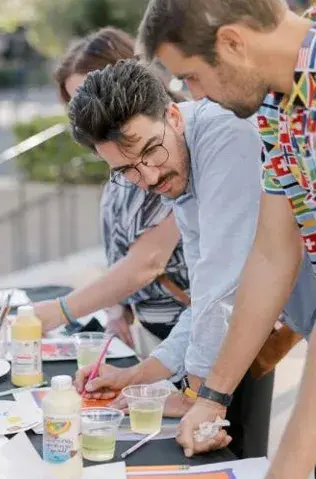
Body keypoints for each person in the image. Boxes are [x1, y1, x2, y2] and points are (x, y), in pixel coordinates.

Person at [137, 1, 316, 478]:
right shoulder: (277, 106)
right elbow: (271, 253)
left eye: (191, 77)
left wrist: (290, 466)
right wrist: (211, 397)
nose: (196, 98)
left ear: (233, 43)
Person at [68, 58, 280, 459]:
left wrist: (196, 395)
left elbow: (225, 285)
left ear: (172, 115)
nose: (148, 178)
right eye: (127, 170)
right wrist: (140, 374)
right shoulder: (178, 166)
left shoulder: (224, 134)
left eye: (151, 150)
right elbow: (204, 296)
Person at [34, 27, 189, 352]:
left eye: (97, 90)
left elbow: (147, 260)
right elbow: (125, 250)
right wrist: (117, 306)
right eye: (77, 101)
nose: (93, 111)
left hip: (208, 338)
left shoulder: (177, 153)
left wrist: (59, 311)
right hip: (161, 339)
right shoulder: (122, 159)